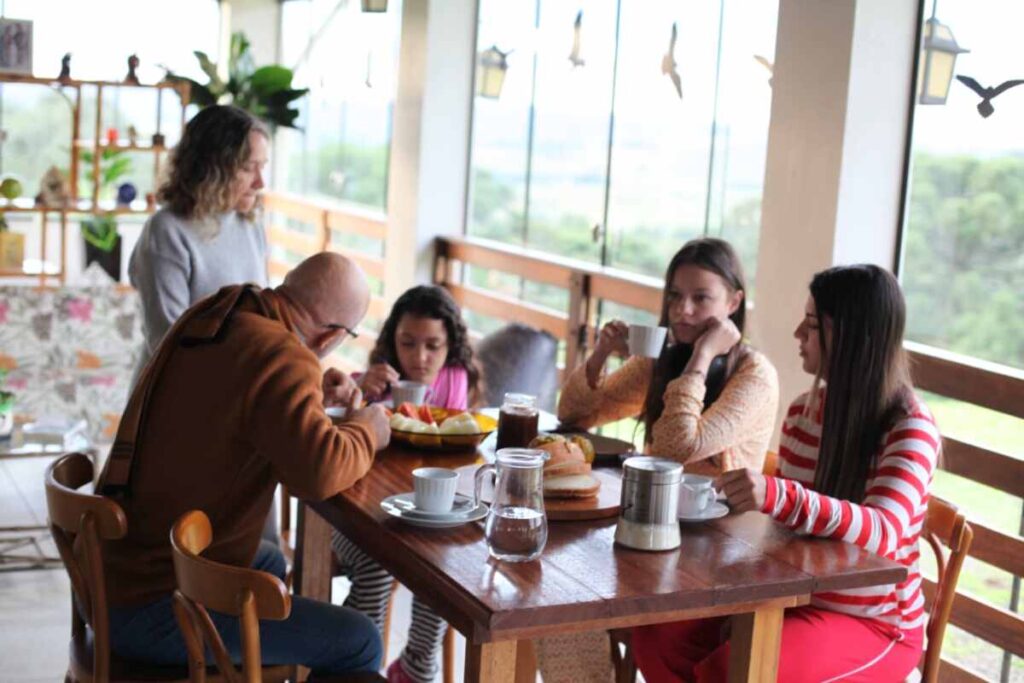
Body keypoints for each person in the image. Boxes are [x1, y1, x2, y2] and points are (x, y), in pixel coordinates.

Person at [632, 264, 940, 682]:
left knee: (728, 669)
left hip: (876, 622)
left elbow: (884, 531)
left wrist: (779, 495)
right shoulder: (803, 414)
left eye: (811, 324)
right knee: (658, 635)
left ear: (851, 336)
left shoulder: (910, 426)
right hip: (793, 600)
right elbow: (789, 533)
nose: (797, 333)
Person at [98, 252, 391, 677]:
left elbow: (238, 406)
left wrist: (310, 398)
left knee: (268, 563)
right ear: (330, 337)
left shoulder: (220, 312)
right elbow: (320, 474)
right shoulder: (282, 355)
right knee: (359, 640)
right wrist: (368, 430)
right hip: (154, 606)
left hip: (113, 575)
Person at [540, 238, 779, 682]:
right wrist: (600, 354)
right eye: (674, 296)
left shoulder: (755, 375)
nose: (682, 310)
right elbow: (574, 413)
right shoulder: (663, 359)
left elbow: (674, 448)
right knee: (554, 586)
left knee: (567, 586)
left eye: (701, 298)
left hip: (720, 548)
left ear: (734, 303)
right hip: (654, 530)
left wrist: (702, 358)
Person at [332, 285, 479, 683]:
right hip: (353, 517)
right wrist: (363, 394)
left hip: (415, 518)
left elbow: (448, 440)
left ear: (451, 346)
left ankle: (415, 668)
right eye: (408, 343)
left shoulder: (454, 379)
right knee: (377, 565)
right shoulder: (370, 382)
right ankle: (352, 670)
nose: (419, 357)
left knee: (442, 566)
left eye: (433, 345)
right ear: (392, 340)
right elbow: (334, 438)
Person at [129, 104, 270, 381]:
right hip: (176, 390)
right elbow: (167, 341)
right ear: (210, 169)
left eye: (262, 167)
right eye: (247, 168)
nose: (260, 182)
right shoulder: (167, 230)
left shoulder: (250, 223)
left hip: (235, 383)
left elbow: (263, 318)